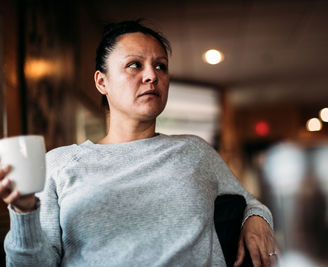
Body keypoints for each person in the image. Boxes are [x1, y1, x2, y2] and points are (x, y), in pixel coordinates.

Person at [0, 20, 279, 266]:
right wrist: (24, 213)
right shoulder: (58, 164)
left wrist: (257, 219)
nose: (152, 76)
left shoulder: (195, 151)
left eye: (161, 66)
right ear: (101, 82)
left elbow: (251, 203)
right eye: (135, 65)